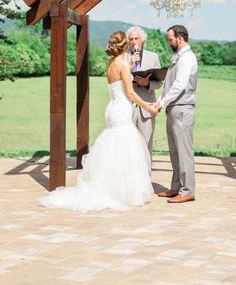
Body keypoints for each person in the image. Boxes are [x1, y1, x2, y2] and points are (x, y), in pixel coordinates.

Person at [40, 31, 156, 211]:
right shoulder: (123, 65)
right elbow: (131, 93)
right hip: (122, 108)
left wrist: (130, 63)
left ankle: (108, 187)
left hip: (111, 108)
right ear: (125, 46)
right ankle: (122, 193)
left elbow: (119, 80)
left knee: (112, 147)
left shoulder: (111, 64)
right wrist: (148, 106)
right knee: (126, 148)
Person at [154, 25, 198, 204]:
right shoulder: (178, 57)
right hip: (174, 108)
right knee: (174, 151)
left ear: (180, 38)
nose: (169, 42)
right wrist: (160, 100)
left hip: (182, 109)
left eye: (170, 39)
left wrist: (162, 103)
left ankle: (187, 191)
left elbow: (179, 85)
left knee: (184, 151)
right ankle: (176, 186)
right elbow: (169, 84)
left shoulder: (187, 58)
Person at [125, 26, 162, 157]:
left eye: (136, 38)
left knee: (145, 145)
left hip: (147, 107)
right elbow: (117, 80)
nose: (133, 41)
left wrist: (147, 83)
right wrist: (130, 64)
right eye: (131, 39)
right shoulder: (122, 58)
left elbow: (159, 83)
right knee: (127, 145)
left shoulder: (153, 57)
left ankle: (146, 176)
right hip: (127, 106)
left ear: (143, 40)